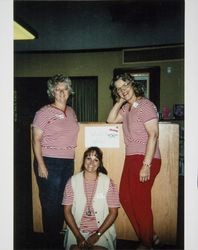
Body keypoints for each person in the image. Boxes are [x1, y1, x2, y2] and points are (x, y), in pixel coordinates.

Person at [107, 73, 161, 250]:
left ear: (133, 84)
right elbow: (110, 119)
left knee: (140, 202)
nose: (123, 90)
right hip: (131, 158)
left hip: (146, 157)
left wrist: (146, 165)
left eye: (125, 85)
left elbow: (153, 134)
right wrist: (121, 101)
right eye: (119, 88)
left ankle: (146, 244)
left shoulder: (145, 105)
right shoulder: (127, 109)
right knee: (124, 197)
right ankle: (149, 237)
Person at [32, 74, 79, 247]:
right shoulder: (43, 112)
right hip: (49, 162)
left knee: (62, 202)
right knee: (50, 205)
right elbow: (36, 139)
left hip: (67, 162)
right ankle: (51, 243)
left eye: (64, 88)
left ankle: (56, 240)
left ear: (69, 91)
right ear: (52, 91)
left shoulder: (72, 111)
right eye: (57, 89)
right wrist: (41, 164)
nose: (61, 92)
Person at [62, 146, 120, 250]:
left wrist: (97, 235)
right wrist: (78, 236)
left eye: (96, 160)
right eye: (88, 158)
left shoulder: (108, 182)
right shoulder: (72, 181)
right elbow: (67, 211)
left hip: (101, 233)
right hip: (77, 232)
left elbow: (113, 212)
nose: (91, 163)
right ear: (84, 160)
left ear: (100, 163)